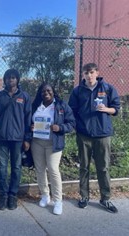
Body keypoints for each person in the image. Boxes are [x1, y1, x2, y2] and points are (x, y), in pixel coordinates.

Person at [68, 62, 120, 213]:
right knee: (84, 167)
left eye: (91, 72)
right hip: (84, 135)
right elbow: (72, 112)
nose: (89, 75)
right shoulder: (77, 91)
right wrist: (77, 127)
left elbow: (116, 109)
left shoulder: (108, 88)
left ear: (97, 73)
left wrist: (106, 109)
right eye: (86, 73)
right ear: (83, 75)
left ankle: (105, 199)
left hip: (103, 134)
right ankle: (84, 196)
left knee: (103, 167)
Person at [31, 83, 75, 215]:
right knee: (40, 170)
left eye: (48, 90)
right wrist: (31, 127)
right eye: (43, 91)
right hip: (37, 142)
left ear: (53, 92)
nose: (46, 93)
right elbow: (28, 120)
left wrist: (60, 128)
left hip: (53, 143)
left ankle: (58, 201)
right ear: (40, 93)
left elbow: (72, 123)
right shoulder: (35, 106)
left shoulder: (61, 105)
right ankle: (45, 195)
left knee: (53, 170)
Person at [0, 68, 32, 210]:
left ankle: (13, 195)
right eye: (8, 77)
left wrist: (27, 138)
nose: (11, 80)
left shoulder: (25, 96)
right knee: (2, 168)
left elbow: (28, 119)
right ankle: (3, 195)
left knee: (16, 167)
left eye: (13, 77)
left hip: (18, 139)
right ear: (5, 80)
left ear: (17, 80)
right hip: (1, 137)